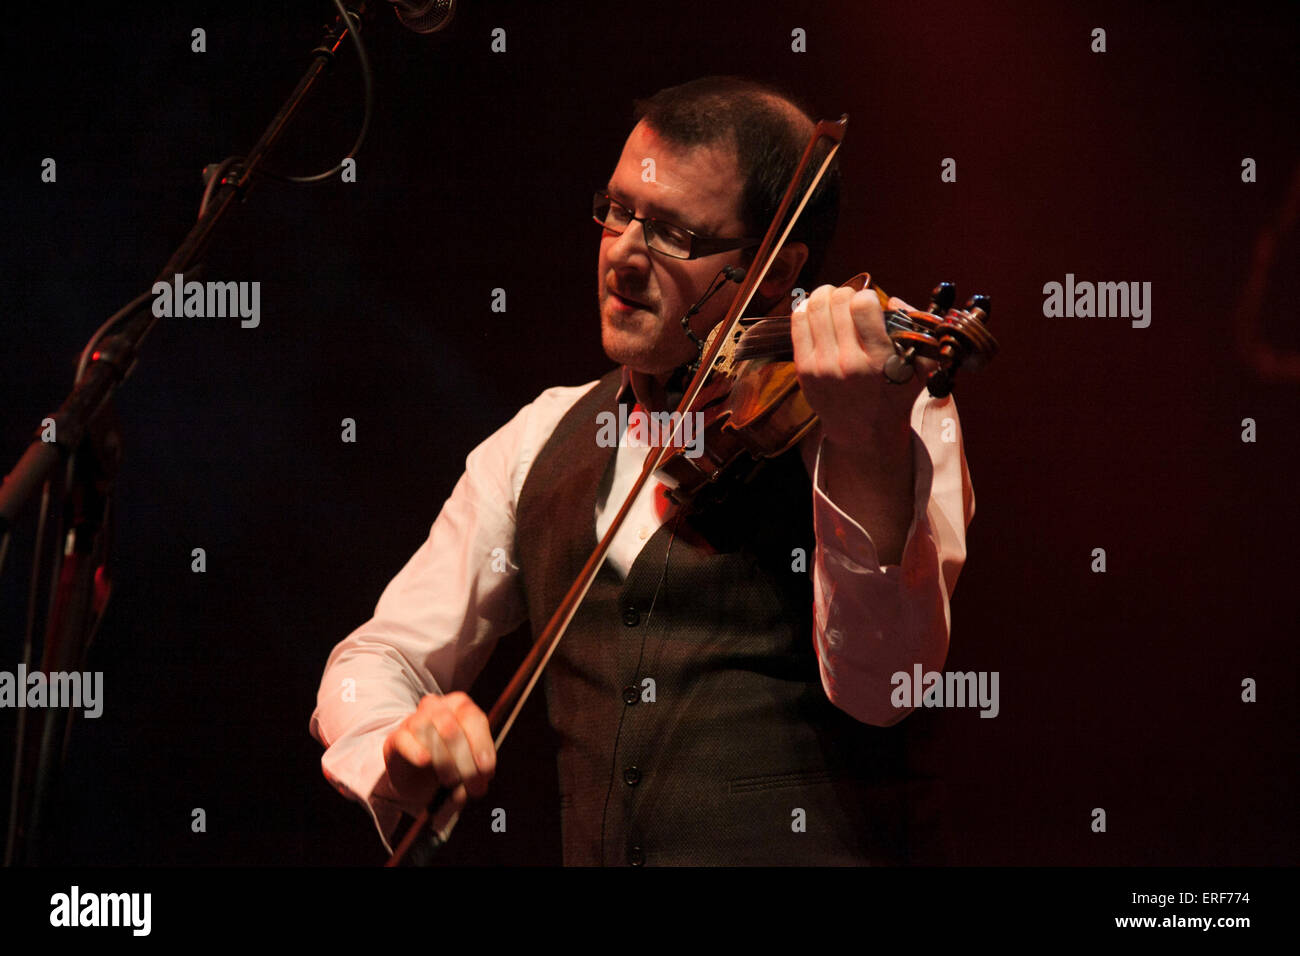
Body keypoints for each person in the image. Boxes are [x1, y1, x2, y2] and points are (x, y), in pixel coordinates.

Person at [310, 75, 974, 866]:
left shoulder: (886, 414)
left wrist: (864, 442)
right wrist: (398, 744)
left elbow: (887, 683)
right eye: (618, 211)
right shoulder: (537, 438)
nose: (623, 252)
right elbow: (374, 659)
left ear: (777, 266)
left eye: (673, 234)